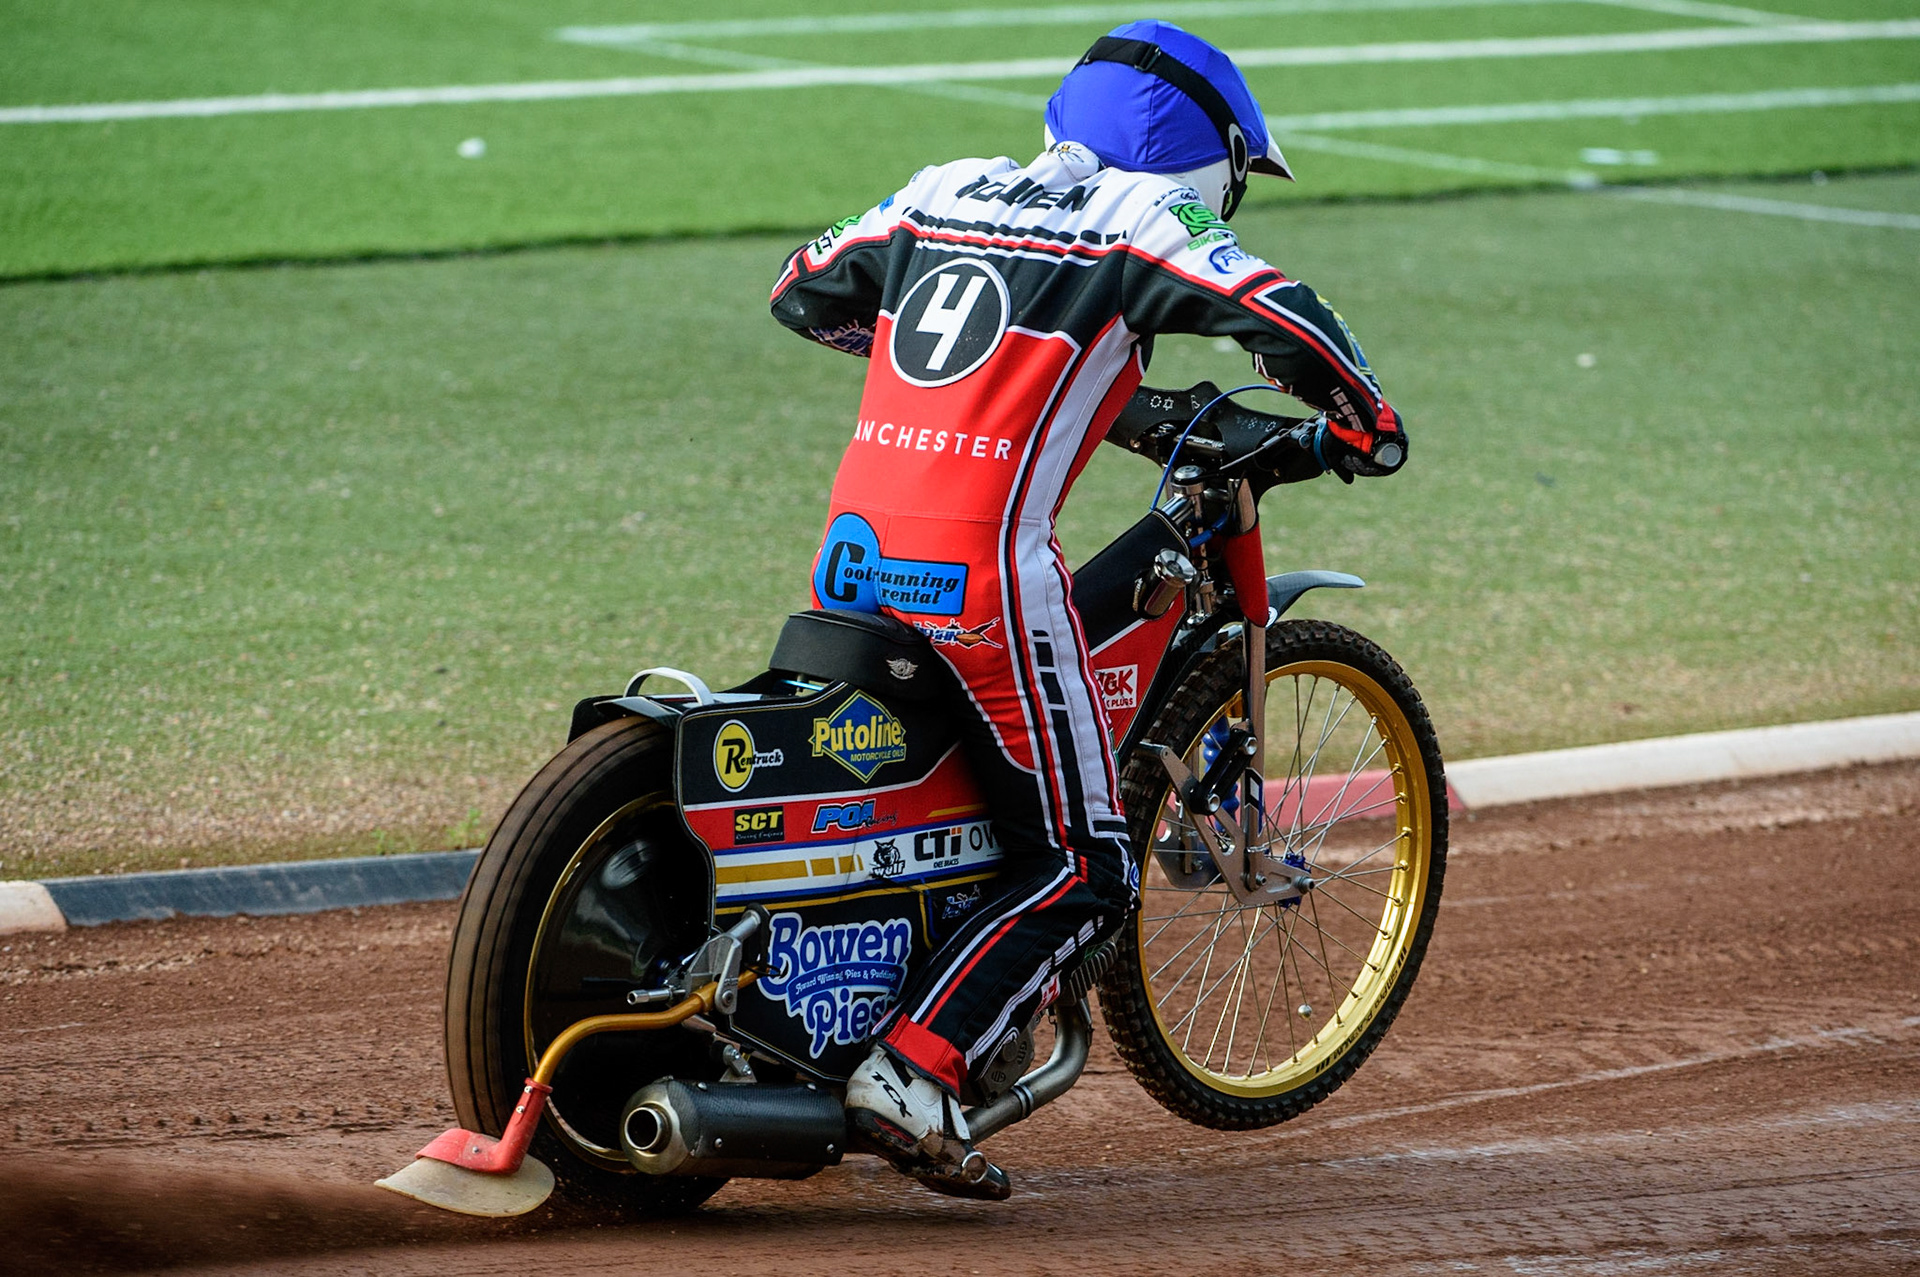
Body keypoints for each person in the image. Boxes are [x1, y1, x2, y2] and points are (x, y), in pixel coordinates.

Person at [768, 20, 1407, 1200]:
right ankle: (913, 1069)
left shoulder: (941, 188)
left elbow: (803, 298)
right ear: (1204, 150)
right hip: (982, 581)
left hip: (849, 561)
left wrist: (1108, 400)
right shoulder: (1146, 223)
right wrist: (1368, 419)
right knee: (1089, 859)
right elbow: (1281, 311)